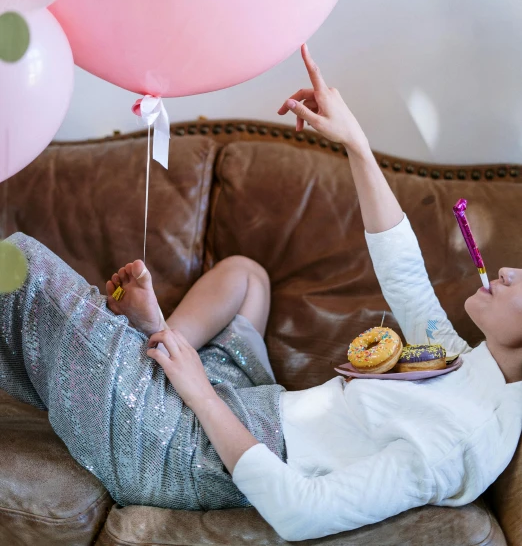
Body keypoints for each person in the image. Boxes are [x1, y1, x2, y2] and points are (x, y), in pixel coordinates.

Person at [2, 44, 522, 542]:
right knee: (245, 276)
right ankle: (155, 340)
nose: (509, 273)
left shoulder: (459, 439)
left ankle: (157, 360)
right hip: (257, 405)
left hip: (189, 453)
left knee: (23, 267)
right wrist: (354, 141)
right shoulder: (467, 370)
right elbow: (404, 273)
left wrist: (195, 388)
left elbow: (301, 511)